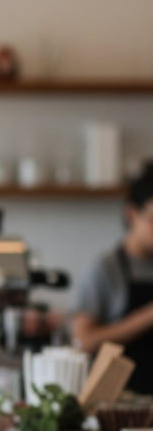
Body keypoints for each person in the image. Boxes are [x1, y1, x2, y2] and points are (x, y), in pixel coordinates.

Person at [72, 162, 153, 393]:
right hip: (121, 404)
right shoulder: (105, 269)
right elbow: (84, 341)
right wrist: (148, 315)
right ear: (132, 214)